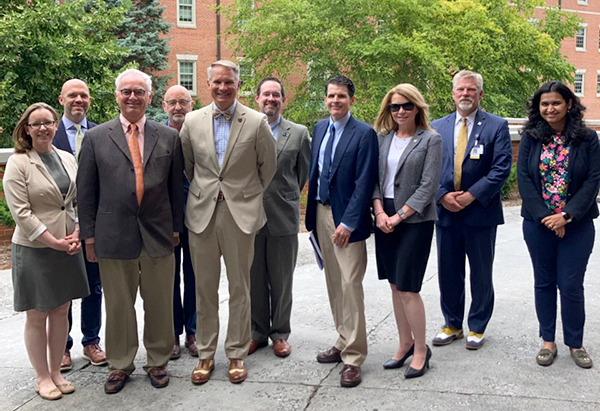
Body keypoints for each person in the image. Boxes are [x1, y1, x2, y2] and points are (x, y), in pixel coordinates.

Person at [77, 69, 184, 394]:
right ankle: (120, 364)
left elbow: (175, 188)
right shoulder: (96, 138)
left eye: (139, 91)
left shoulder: (168, 138)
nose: (132, 97)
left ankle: (157, 361)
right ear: (117, 96)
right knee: (119, 304)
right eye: (126, 91)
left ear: (150, 97)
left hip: (158, 234)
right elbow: (86, 191)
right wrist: (89, 237)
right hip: (113, 234)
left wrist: (176, 229)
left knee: (160, 302)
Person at [180, 60, 276, 385]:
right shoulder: (192, 122)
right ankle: (205, 354)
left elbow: (268, 167)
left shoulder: (257, 121)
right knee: (204, 288)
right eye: (217, 82)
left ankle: (236, 352)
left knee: (240, 287)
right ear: (208, 85)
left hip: (241, 215)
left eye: (229, 82)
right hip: (202, 214)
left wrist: (246, 195)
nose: (223, 87)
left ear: (238, 84)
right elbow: (188, 167)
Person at [3, 103, 89, 400]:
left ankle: (56, 371)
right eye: (36, 123)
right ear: (26, 128)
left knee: (61, 310)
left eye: (48, 122)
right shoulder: (18, 162)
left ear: (56, 125)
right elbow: (21, 212)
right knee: (38, 314)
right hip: (36, 247)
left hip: (68, 245)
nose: (43, 128)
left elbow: (76, 202)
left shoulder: (66, 158)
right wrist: (54, 241)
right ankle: (41, 376)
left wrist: (76, 232)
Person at [517, 81, 600, 369]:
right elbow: (524, 181)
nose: (550, 108)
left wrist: (566, 216)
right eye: (544, 104)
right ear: (538, 108)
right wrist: (546, 218)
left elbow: (592, 181)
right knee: (544, 282)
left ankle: (575, 343)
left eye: (555, 103)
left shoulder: (587, 138)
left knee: (571, 284)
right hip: (538, 224)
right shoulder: (530, 137)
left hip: (577, 225)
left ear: (568, 105)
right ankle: (548, 341)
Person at [305, 75, 378, 387]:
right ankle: (341, 339)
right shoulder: (320, 128)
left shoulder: (364, 134)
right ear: (325, 99)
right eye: (331, 96)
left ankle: (353, 357)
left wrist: (348, 223)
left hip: (346, 219)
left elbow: (364, 182)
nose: (335, 101)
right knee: (334, 283)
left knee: (350, 284)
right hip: (320, 213)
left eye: (342, 97)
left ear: (352, 99)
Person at [431, 70, 512, 350]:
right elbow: (428, 169)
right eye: (460, 90)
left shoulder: (497, 126)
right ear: (453, 94)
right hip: (445, 212)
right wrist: (442, 196)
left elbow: (501, 168)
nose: (465, 94)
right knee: (448, 271)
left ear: (480, 94)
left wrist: (470, 196)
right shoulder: (436, 126)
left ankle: (477, 326)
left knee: (480, 272)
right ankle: (452, 323)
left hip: (480, 213)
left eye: (471, 90)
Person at [372, 84, 442, 378]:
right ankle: (404, 344)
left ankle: (422, 351)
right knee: (393, 284)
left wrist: (398, 217)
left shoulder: (431, 140)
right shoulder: (382, 139)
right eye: (394, 107)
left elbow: (428, 186)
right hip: (383, 216)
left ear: (418, 108)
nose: (400, 111)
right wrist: (378, 212)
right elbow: (373, 180)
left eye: (406, 106)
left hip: (414, 220)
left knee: (408, 288)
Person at [248, 77, 311, 358]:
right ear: (257, 99)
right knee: (254, 278)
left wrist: (284, 197)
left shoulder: (298, 133)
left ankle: (280, 333)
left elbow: (302, 174)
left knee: (282, 279)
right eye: (265, 94)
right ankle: (257, 332)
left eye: (276, 95)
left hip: (283, 216)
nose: (270, 99)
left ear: (283, 100)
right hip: (249, 216)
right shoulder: (246, 129)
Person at [53, 79, 106, 370]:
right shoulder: (49, 132)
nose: (78, 100)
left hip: (93, 224)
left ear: (89, 100)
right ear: (61, 99)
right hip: (59, 225)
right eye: (72, 95)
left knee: (93, 285)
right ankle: (63, 346)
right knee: (63, 287)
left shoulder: (100, 133)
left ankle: (91, 341)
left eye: (83, 95)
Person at [162, 85, 198, 359]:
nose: (178, 107)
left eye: (183, 102)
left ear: (192, 104)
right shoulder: (156, 135)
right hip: (164, 220)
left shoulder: (199, 132)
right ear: (164, 105)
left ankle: (194, 333)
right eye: (172, 102)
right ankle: (173, 334)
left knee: (196, 275)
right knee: (169, 278)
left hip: (198, 217)